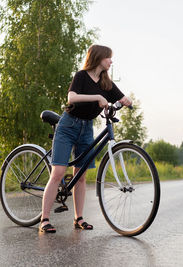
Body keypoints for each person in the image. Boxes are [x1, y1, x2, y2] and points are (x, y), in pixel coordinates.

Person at [40, 44, 132, 233]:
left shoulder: (107, 83)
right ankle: (44, 220)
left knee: (80, 176)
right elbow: (71, 98)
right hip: (68, 126)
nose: (111, 61)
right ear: (98, 58)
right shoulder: (81, 76)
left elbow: (120, 96)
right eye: (109, 57)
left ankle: (78, 218)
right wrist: (97, 97)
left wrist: (126, 100)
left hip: (86, 128)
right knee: (58, 172)